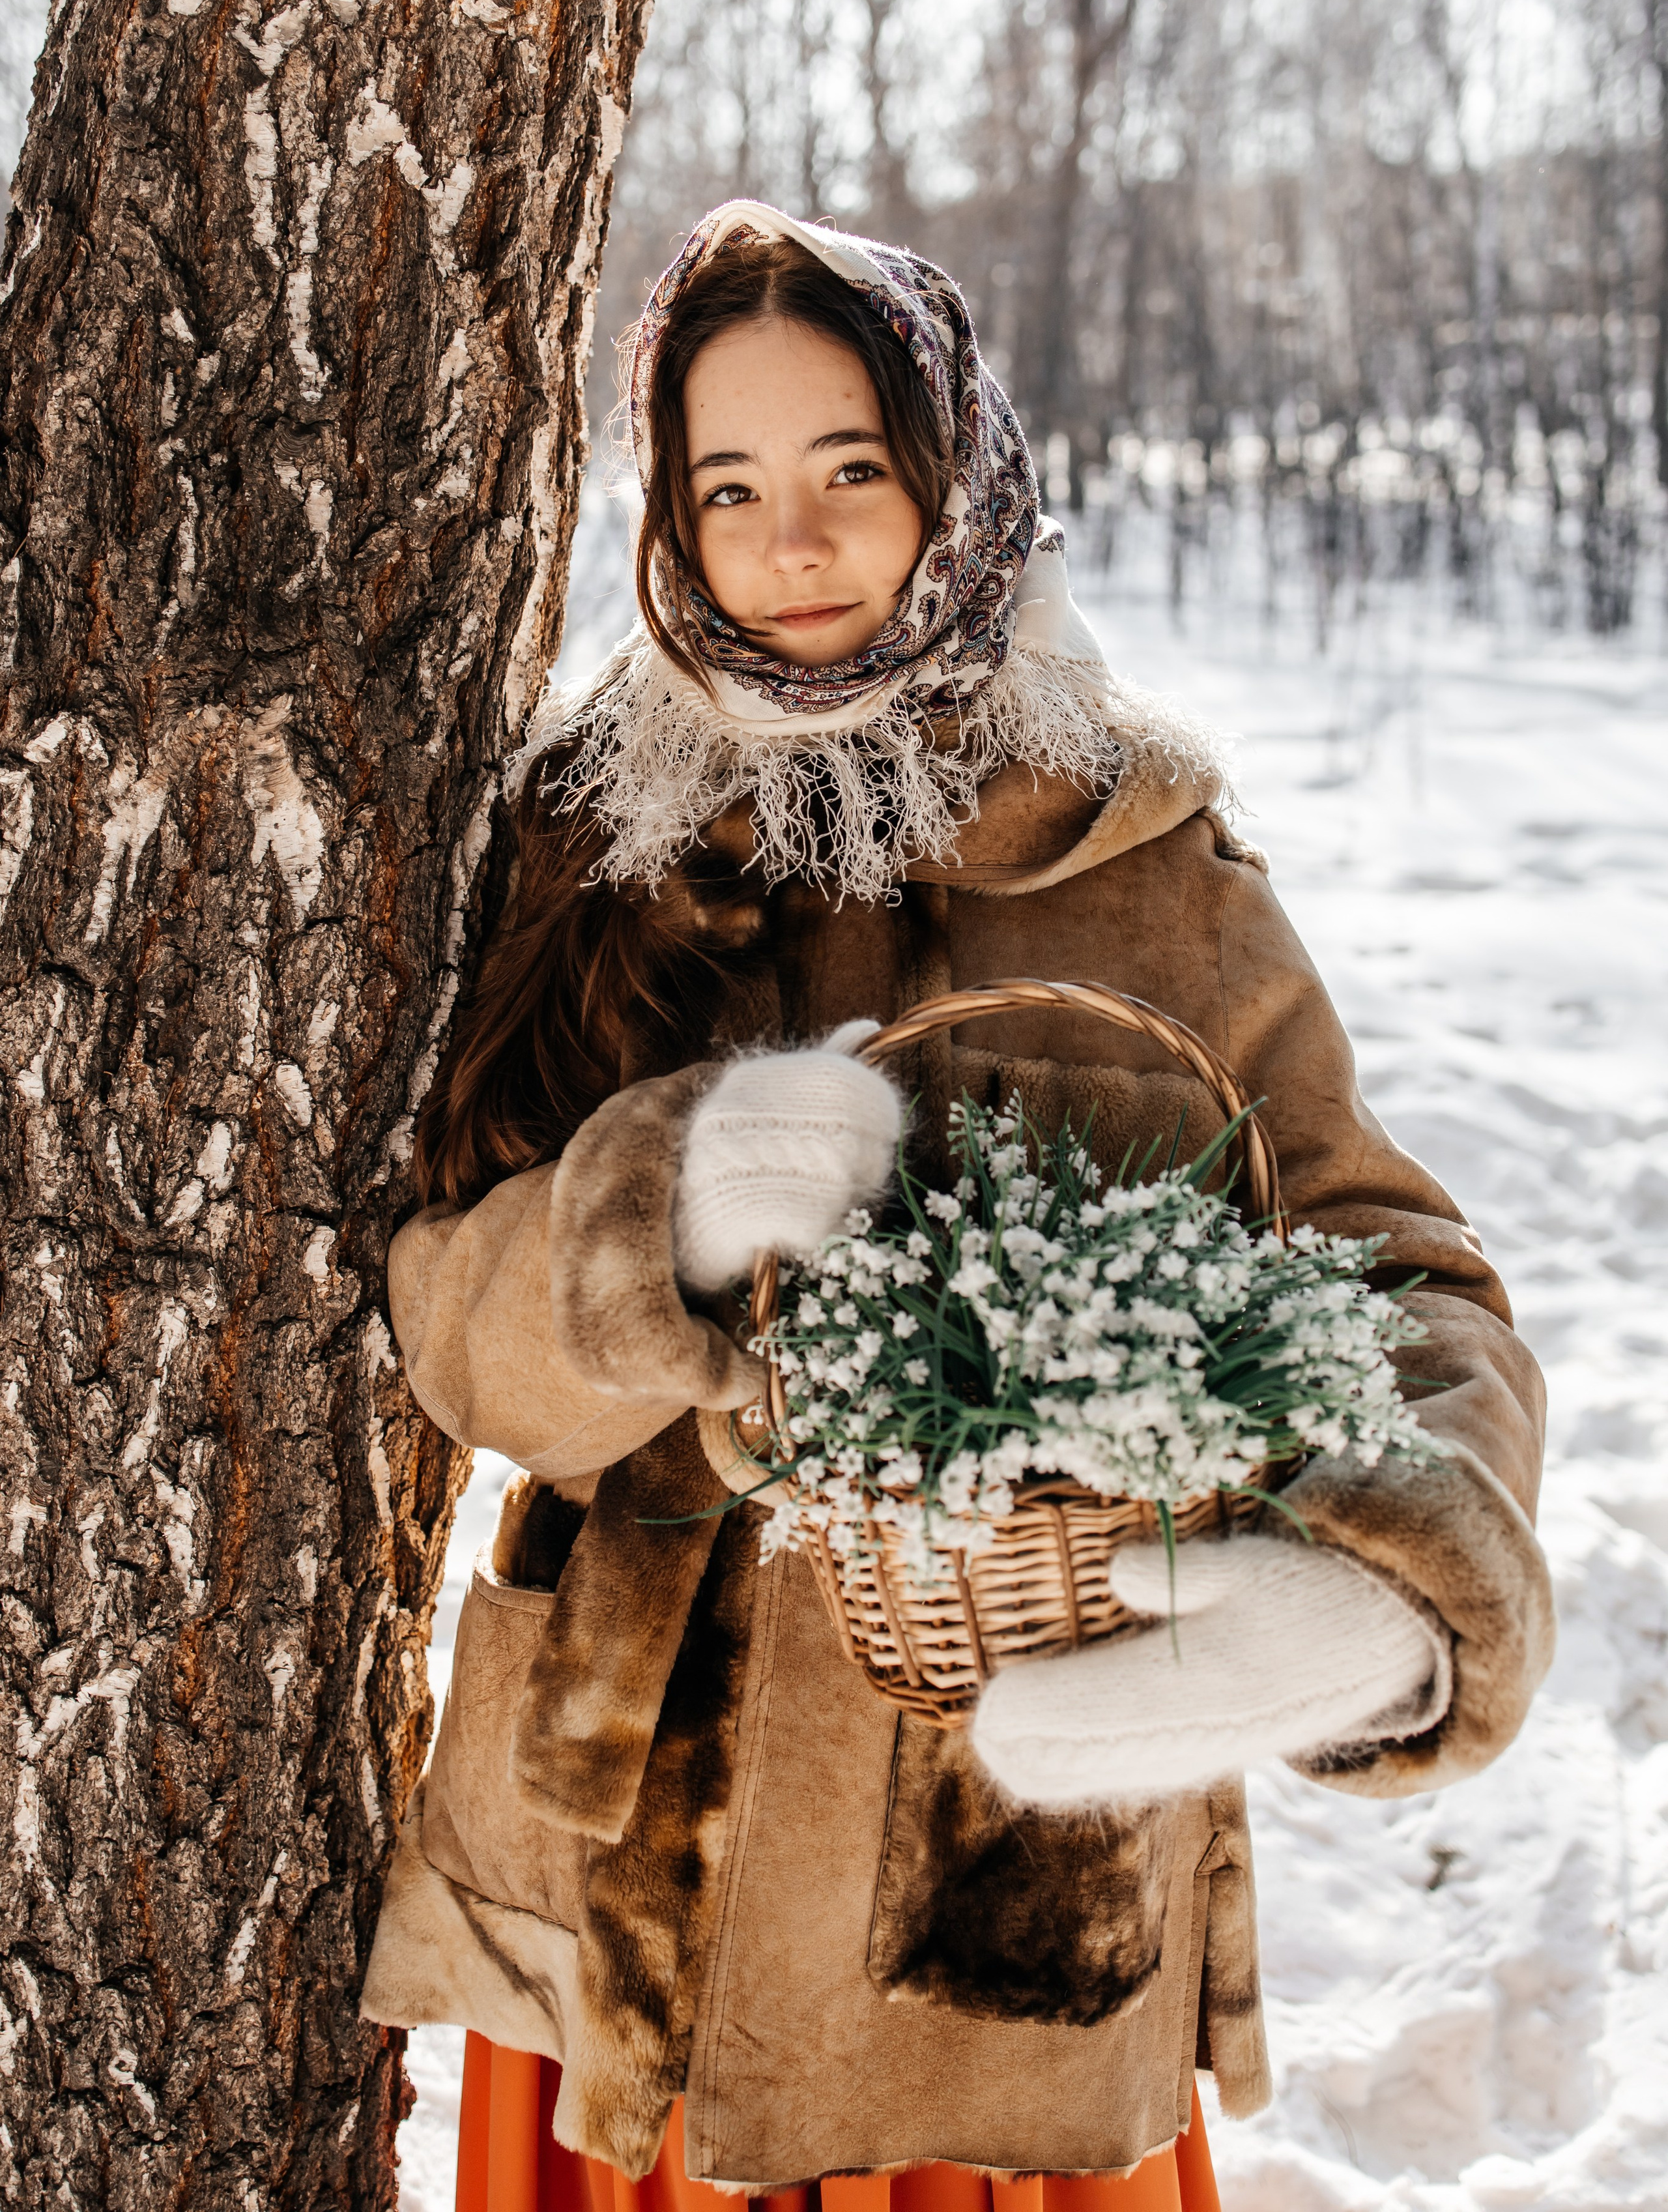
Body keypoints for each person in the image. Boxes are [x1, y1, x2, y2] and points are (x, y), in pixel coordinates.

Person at [361, 203, 1555, 2212]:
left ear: (960, 472)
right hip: (637, 1880)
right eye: (727, 488)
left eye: (852, 471)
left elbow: (1391, 1262)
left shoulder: (1144, 855)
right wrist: (662, 1210)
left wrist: (1390, 1586)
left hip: (1009, 1887)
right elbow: (447, 1334)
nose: (794, 545)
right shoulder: (597, 840)